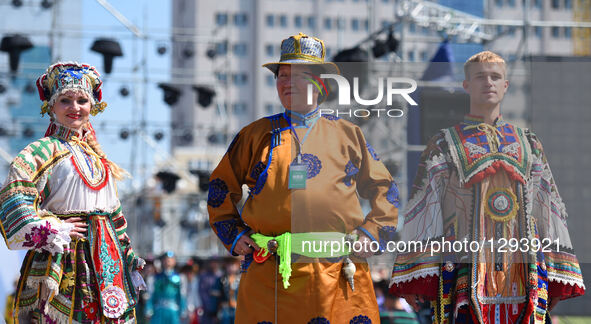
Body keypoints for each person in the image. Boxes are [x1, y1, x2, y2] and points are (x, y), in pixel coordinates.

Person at [208, 33, 400, 323]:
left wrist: (370, 234)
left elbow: (386, 190)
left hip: (337, 273)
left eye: (296, 75)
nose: (286, 82)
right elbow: (220, 188)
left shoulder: (348, 134)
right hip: (269, 270)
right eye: (281, 75)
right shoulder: (255, 136)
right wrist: (233, 235)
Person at [390, 51, 585, 323]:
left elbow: (549, 209)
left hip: (526, 277)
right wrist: (414, 273)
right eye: (480, 77)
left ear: (506, 85)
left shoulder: (530, 144)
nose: (489, 83)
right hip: (462, 273)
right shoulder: (444, 143)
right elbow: (424, 207)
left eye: (496, 77)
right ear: (466, 85)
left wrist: (557, 273)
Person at [0, 62, 145, 323]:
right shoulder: (42, 151)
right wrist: (52, 228)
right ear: (51, 106)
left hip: (107, 264)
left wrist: (129, 257)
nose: (75, 108)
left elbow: (116, 217)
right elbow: (13, 200)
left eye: (81, 100)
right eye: (65, 100)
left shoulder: (101, 159)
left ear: (93, 106)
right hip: (64, 258)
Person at [146, 251, 186, 324]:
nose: (168, 261)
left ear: (174, 261)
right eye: (165, 259)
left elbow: (182, 295)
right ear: (162, 261)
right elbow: (151, 294)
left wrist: (183, 309)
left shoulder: (179, 278)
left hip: (173, 311)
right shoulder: (155, 278)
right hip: (158, 310)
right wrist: (149, 308)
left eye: (170, 259)